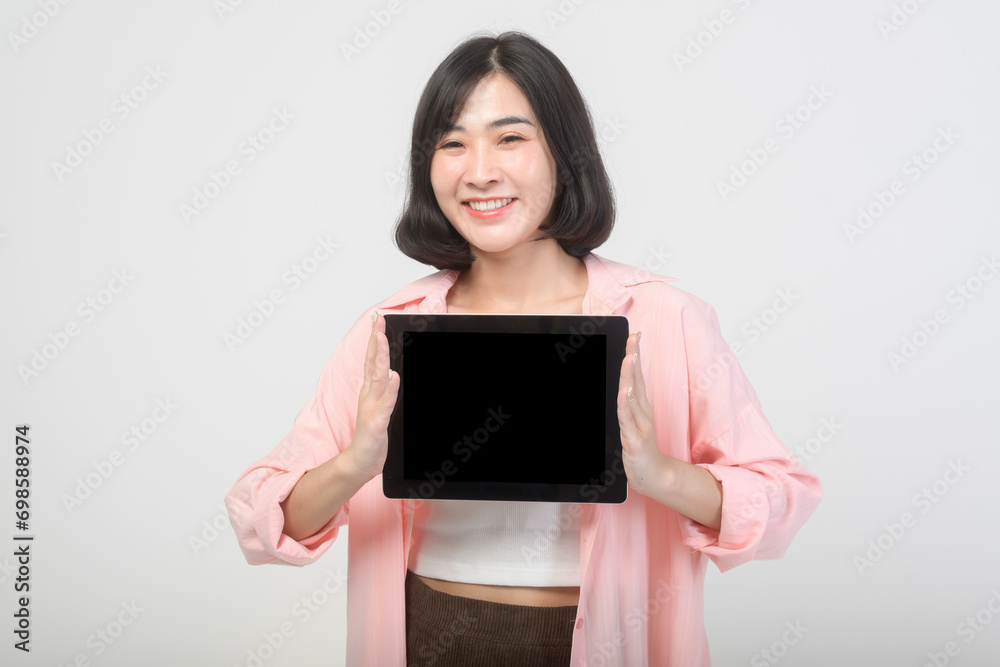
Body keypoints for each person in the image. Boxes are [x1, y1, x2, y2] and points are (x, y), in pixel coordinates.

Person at [225, 30, 822, 667]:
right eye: (452, 143)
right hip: (434, 634)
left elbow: (782, 499)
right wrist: (354, 463)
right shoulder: (391, 329)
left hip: (606, 641)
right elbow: (262, 517)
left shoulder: (663, 320)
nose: (479, 171)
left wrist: (660, 475)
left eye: (510, 137)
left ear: (565, 154)